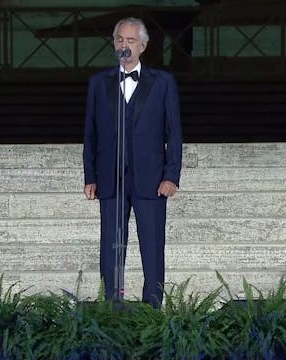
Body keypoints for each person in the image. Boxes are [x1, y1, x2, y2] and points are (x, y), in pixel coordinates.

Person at [82, 17, 182, 308]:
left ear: (143, 45)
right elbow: (91, 132)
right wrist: (90, 176)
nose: (124, 46)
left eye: (130, 41)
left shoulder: (163, 83)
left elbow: (173, 132)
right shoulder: (99, 83)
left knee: (152, 248)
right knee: (110, 250)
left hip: (151, 180)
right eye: (119, 40)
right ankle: (112, 308)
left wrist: (171, 175)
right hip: (110, 180)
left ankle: (152, 310)